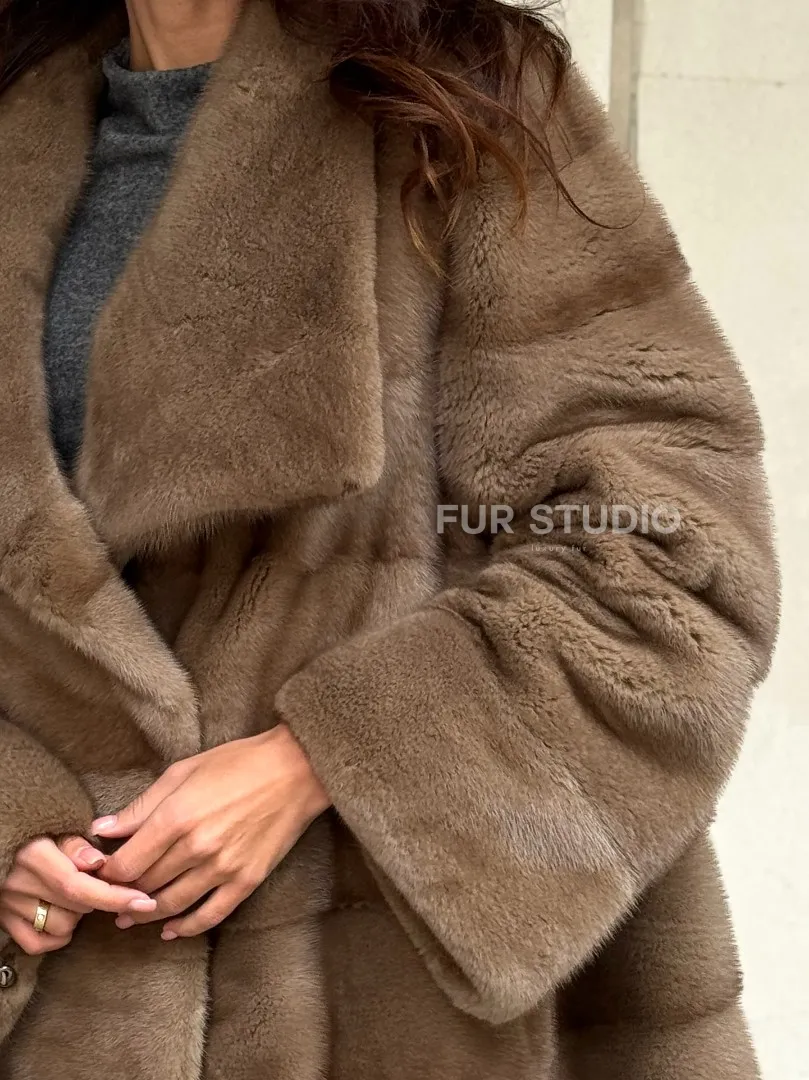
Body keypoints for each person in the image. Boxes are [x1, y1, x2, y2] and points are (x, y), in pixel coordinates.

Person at [0, 1, 779, 1077]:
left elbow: (670, 547)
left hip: (373, 996)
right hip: (60, 1004)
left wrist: (321, 755)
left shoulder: (454, 98)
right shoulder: (19, 115)